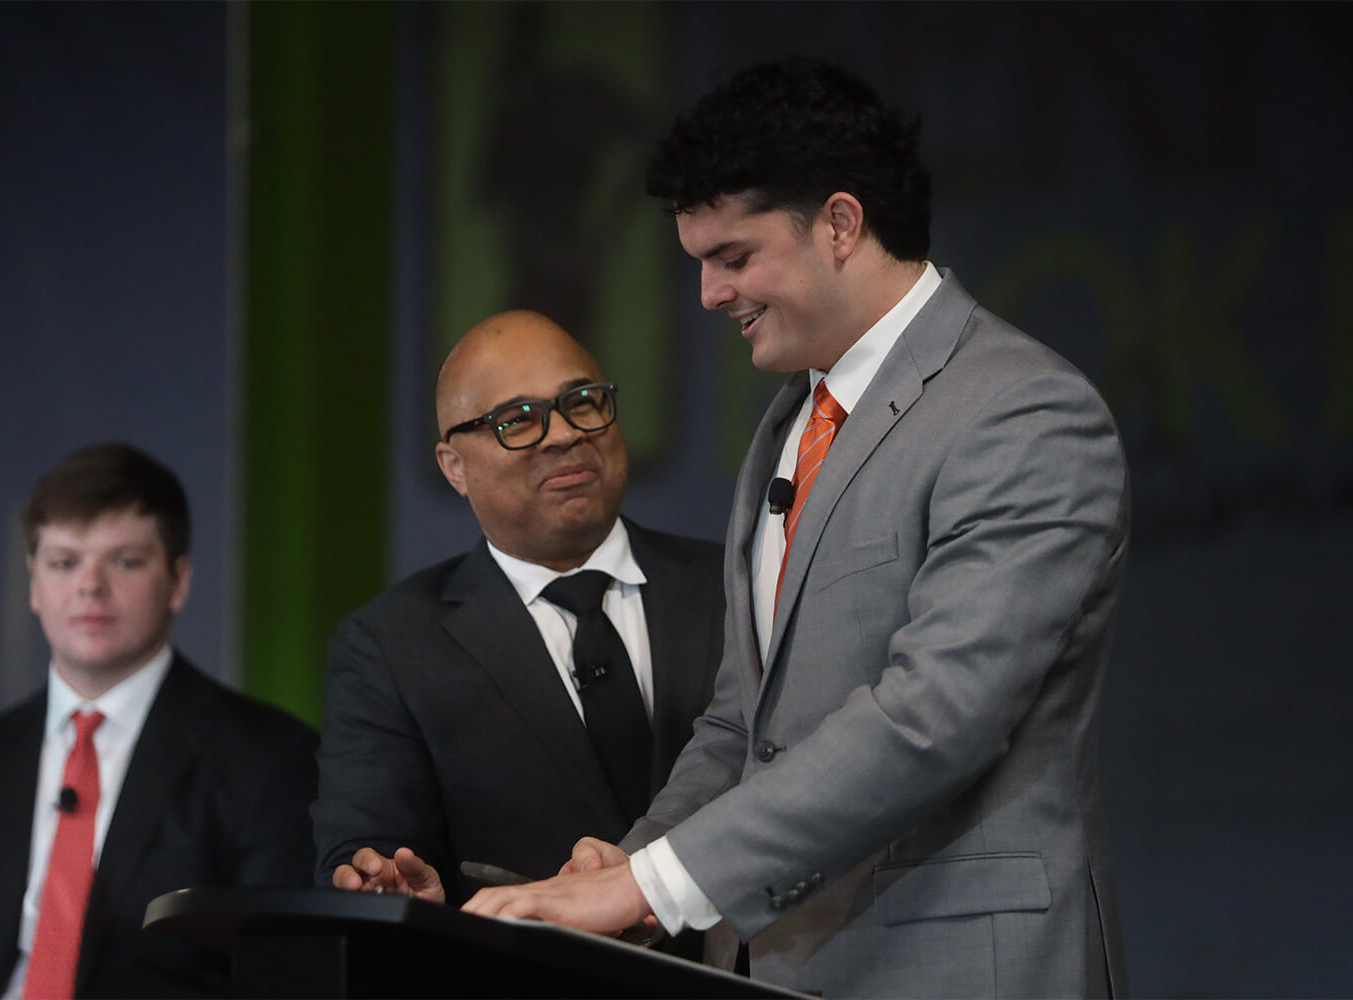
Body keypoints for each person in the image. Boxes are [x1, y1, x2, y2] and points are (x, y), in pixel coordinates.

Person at [463, 57, 1131, 999]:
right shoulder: (789, 424)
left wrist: (654, 881)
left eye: (733, 258)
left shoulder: (1023, 414)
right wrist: (634, 871)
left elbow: (934, 717)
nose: (707, 295)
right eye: (700, 263)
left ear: (841, 225)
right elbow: (746, 722)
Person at [311, 310, 725, 917]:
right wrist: (398, 888)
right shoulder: (390, 646)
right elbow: (365, 849)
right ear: (455, 467)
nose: (564, 435)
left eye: (582, 401)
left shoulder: (737, 584)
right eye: (517, 420)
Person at [0, 443, 318, 999]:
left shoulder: (269, 761)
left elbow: (283, 981)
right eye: (63, 562)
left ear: (178, 582)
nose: (90, 584)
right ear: (34, 584)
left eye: (125, 561)